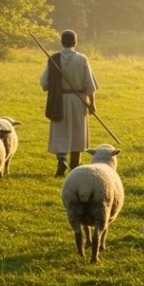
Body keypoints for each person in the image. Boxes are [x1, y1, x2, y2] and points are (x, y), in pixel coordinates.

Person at [40, 29, 98, 177]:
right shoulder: (82, 59)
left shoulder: (53, 59)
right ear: (75, 42)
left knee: (61, 130)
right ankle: (74, 164)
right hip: (78, 100)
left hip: (59, 100)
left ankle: (61, 160)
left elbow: (44, 83)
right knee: (77, 131)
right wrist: (92, 104)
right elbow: (89, 84)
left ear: (61, 42)